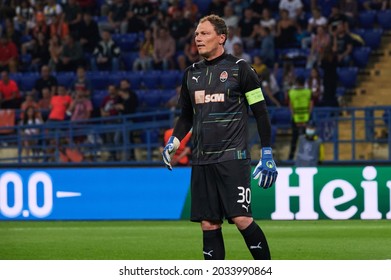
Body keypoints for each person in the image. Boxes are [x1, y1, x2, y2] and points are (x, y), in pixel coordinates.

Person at [162, 14, 278, 260]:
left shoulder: (241, 69)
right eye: (196, 34)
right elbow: (185, 116)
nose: (198, 38)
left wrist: (266, 151)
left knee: (242, 218)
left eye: (204, 33)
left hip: (232, 158)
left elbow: (261, 112)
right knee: (209, 223)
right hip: (202, 159)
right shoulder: (191, 74)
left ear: (221, 37)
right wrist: (174, 141)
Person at [287, 76, 313, 160]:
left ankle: (290, 158)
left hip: (296, 119)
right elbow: (311, 105)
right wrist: (307, 118)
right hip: (306, 118)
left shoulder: (291, 92)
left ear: (297, 82)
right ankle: (308, 157)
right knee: (308, 138)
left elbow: (290, 106)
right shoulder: (308, 92)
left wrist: (295, 117)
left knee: (294, 139)